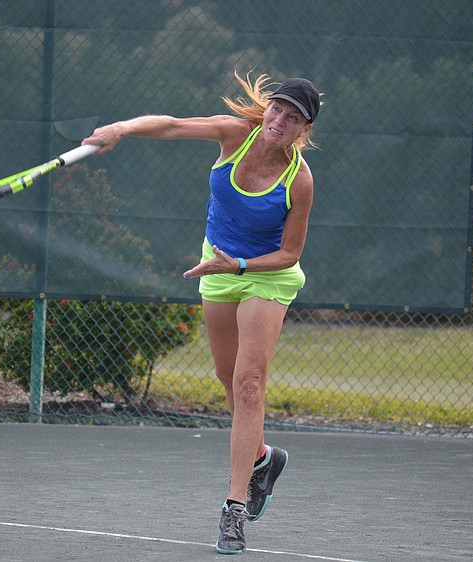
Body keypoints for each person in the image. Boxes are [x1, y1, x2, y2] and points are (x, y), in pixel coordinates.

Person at [82, 71, 321, 555]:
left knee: (249, 384)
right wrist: (121, 129)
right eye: (277, 108)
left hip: (263, 273)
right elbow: (170, 125)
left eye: (292, 118)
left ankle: (233, 510)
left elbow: (290, 254)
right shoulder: (235, 134)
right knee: (226, 374)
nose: (279, 119)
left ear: (302, 131)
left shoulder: (300, 181)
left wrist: (240, 265)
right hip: (217, 262)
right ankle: (262, 458)